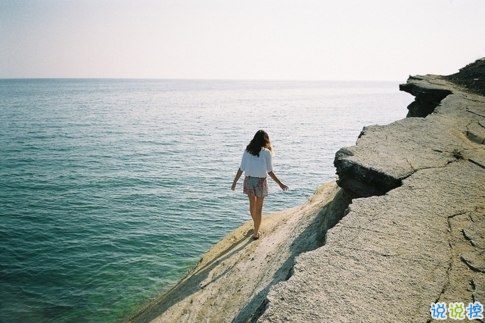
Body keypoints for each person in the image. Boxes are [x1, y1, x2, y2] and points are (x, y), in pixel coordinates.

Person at [231, 130, 288, 240]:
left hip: (248, 180)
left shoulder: (247, 150)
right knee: (259, 208)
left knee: (252, 205)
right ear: (265, 140)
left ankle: (255, 225)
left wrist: (234, 182)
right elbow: (270, 171)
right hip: (260, 182)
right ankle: (256, 233)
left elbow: (241, 168)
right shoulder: (266, 152)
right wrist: (280, 184)